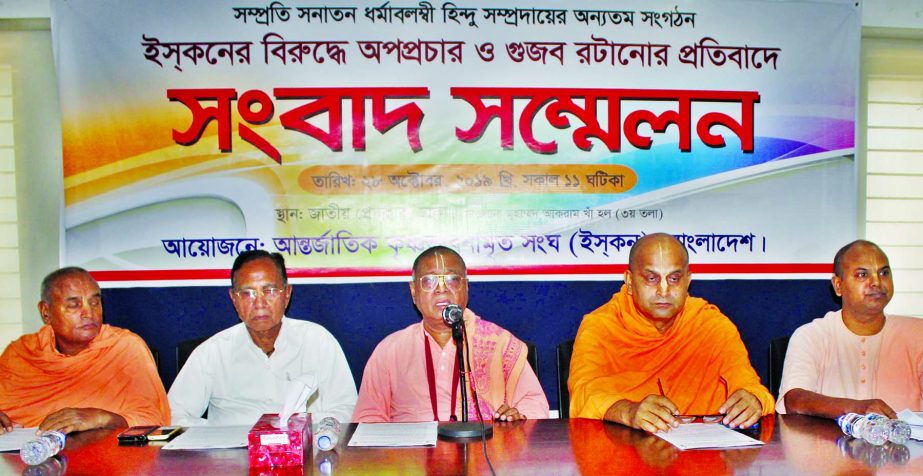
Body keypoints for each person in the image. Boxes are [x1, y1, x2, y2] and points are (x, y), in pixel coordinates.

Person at [569, 233, 773, 432]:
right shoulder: (600, 326)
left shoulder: (711, 325)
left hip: (704, 456)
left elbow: (751, 387)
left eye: (674, 279)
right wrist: (627, 411)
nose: (664, 290)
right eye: (651, 278)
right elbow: (583, 395)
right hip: (625, 453)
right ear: (629, 281)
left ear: (688, 281)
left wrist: (752, 400)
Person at [352, 246, 549, 422]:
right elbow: (368, 416)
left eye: (452, 280)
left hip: (484, 455)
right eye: (428, 281)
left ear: (466, 287)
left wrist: (518, 418)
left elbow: (534, 403)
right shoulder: (390, 350)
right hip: (412, 458)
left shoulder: (500, 343)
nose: (441, 289)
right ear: (413, 292)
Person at [168, 250, 357, 426]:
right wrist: (217, 438)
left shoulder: (318, 342)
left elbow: (346, 409)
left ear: (287, 294)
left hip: (305, 454)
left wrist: (303, 431)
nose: (259, 303)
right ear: (234, 299)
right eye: (247, 293)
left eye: (270, 291)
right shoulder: (212, 352)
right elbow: (175, 415)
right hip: (233, 458)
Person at [0, 267, 169, 434]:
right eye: (74, 305)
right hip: (34, 455)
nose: (88, 313)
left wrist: (102, 418)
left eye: (95, 303)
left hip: (108, 456)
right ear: (45, 312)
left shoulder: (125, 347)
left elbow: (153, 418)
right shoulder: (21, 353)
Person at [777, 240, 923, 418]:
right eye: (862, 275)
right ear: (838, 285)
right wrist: (856, 408)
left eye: (884, 272)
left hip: (905, 444)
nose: (877, 282)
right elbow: (794, 400)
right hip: (827, 444)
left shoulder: (917, 334)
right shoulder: (812, 335)